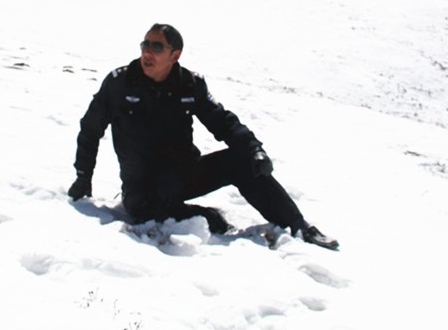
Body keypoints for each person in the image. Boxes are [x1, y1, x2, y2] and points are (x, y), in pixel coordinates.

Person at [67, 24, 338, 250]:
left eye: (156, 47)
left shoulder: (190, 84)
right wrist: (83, 177)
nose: (147, 52)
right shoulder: (119, 83)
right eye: (144, 45)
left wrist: (255, 150)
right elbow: (90, 130)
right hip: (143, 188)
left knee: (243, 161)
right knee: (144, 212)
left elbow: (223, 122)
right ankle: (206, 217)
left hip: (182, 175)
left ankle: (298, 226)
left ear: (175, 55)